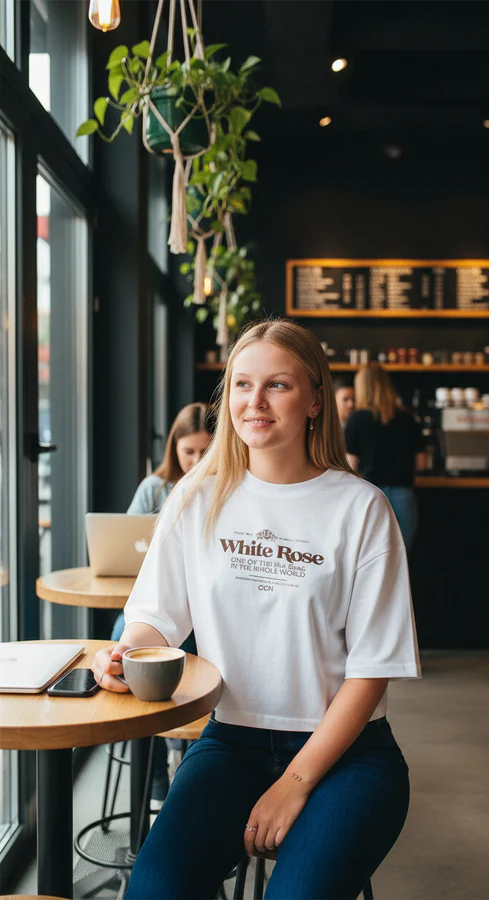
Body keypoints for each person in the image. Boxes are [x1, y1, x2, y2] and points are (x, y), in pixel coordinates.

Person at [92, 319, 420, 900]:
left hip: (349, 756)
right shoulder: (196, 496)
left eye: (278, 385)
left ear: (315, 400)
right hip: (230, 743)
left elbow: (372, 668)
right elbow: (156, 618)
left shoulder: (362, 509)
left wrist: (295, 782)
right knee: (154, 890)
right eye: (242, 384)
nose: (255, 402)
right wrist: (126, 652)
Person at [110, 401, 211, 800]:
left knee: (180, 646)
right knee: (126, 636)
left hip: (195, 611)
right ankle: (156, 777)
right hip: (157, 599)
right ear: (175, 450)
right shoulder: (156, 488)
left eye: (206, 451)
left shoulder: (223, 492)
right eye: (189, 452)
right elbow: (123, 540)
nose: (197, 461)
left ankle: (185, 755)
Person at [345, 364, 424, 553]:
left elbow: (351, 465)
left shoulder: (356, 420)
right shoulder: (409, 419)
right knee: (401, 561)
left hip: (368, 495)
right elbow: (421, 463)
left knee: (370, 560)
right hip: (403, 495)